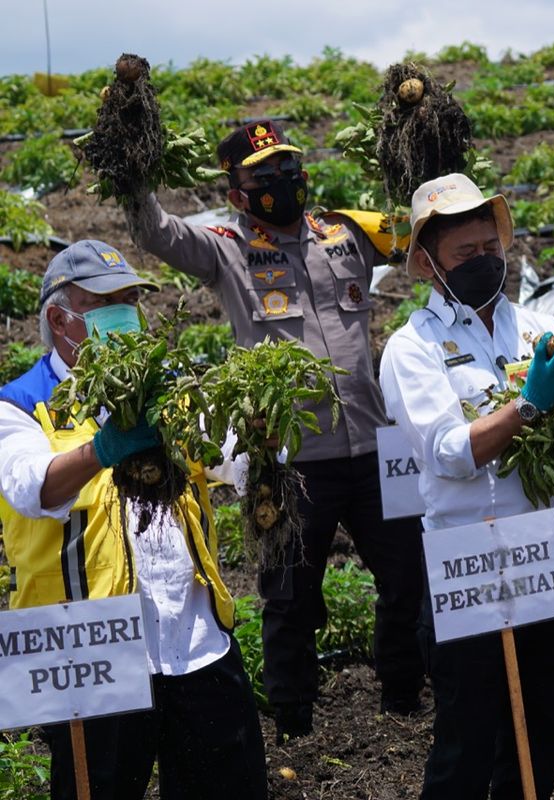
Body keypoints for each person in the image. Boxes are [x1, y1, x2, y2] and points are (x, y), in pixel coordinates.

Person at [125, 119, 426, 741]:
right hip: (287, 460)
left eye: (287, 166)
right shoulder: (225, 247)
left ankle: (403, 698)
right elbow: (155, 232)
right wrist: (133, 161)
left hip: (373, 446)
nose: (282, 181)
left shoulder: (345, 232)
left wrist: (416, 141)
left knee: (407, 577)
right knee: (289, 597)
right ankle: (295, 722)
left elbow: (423, 227)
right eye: (263, 175)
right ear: (236, 191)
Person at [0, 241, 268, 800]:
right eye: (106, 302)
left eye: (131, 300)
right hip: (94, 653)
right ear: (59, 317)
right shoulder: (22, 405)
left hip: (196, 641)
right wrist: (102, 450)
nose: (125, 314)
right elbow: (31, 487)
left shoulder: (168, 388)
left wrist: (260, 434)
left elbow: (231, 460)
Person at [378, 174, 554, 799]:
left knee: (546, 734)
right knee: (466, 744)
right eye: (464, 254)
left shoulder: (535, 327)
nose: (483, 262)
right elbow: (448, 453)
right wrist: (527, 406)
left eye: (489, 249)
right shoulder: (411, 348)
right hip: (472, 563)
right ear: (426, 263)